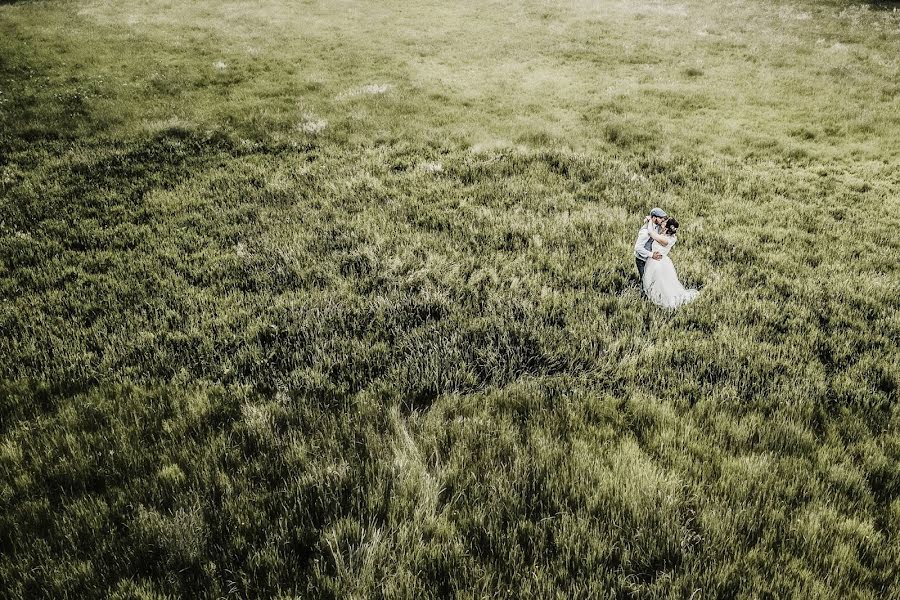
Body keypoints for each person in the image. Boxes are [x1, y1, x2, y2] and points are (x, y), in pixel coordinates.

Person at [642, 217, 699, 309]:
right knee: (660, 281)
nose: (663, 223)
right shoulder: (670, 236)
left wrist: (650, 221)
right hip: (661, 260)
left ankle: (664, 300)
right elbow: (658, 226)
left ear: (667, 228)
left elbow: (651, 233)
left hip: (658, 262)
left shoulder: (665, 240)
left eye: (665, 223)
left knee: (660, 282)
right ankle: (655, 296)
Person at [634, 207, 667, 282]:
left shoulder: (656, 225)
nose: (663, 220)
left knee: (652, 280)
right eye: (661, 218)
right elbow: (638, 247)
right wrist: (652, 255)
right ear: (654, 218)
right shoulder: (645, 232)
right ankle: (643, 293)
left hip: (650, 259)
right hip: (642, 260)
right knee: (645, 280)